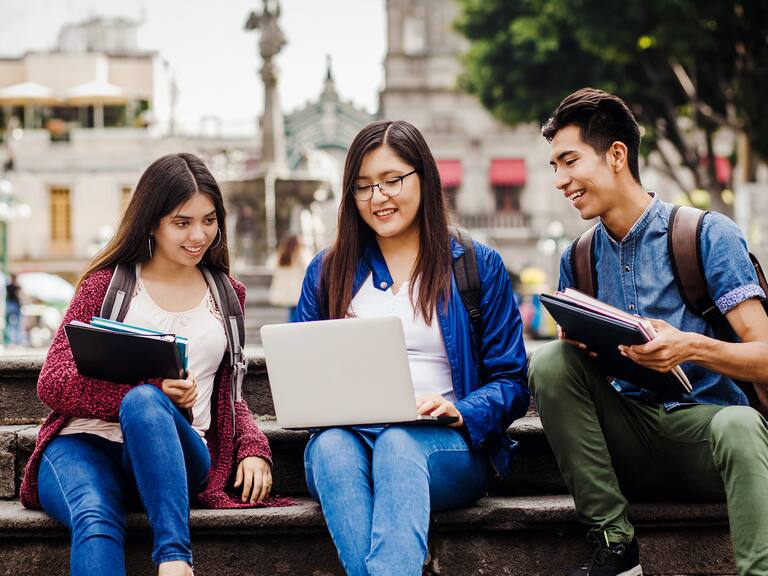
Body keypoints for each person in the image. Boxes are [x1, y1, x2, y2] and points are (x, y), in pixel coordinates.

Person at [528, 88, 768, 576]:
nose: (560, 180)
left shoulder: (706, 234)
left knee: (741, 424)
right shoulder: (576, 258)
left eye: (569, 161)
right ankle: (617, 548)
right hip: (625, 444)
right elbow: (566, 380)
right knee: (550, 362)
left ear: (617, 155)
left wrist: (691, 346)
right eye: (554, 166)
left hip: (709, 439)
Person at [20, 153, 283, 576]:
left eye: (209, 220)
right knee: (96, 514)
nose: (199, 235)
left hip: (176, 453)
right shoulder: (107, 285)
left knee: (146, 404)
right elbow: (53, 382)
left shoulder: (227, 295)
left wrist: (253, 447)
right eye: (183, 222)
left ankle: (174, 560)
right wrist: (147, 392)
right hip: (83, 446)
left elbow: (230, 392)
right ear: (152, 222)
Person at [294, 120, 530, 576]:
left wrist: (459, 409)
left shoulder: (476, 264)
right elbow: (303, 374)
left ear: (424, 176)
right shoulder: (327, 271)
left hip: (445, 445)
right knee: (329, 450)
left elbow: (511, 381)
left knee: (400, 445)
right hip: (350, 440)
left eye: (392, 180)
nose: (378, 197)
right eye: (363, 187)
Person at [268, 233, 310, 321]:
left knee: (292, 311)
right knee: (295, 312)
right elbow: (307, 267)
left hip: (287, 291)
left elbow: (270, 266)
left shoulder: (281, 255)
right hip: (296, 289)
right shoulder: (299, 256)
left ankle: (291, 325)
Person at [4, 272, 24, 346]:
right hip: (15, 305)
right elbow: (21, 295)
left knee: (8, 323)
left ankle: (9, 341)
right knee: (17, 324)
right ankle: (17, 341)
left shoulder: (8, 286)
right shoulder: (17, 286)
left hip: (9, 304)